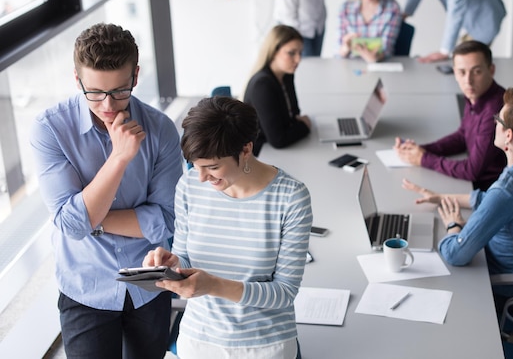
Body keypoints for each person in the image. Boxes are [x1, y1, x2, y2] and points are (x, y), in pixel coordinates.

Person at [30, 23, 183, 359]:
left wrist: (92, 219)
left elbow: (165, 221)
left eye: (119, 91)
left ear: (136, 76)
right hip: (85, 287)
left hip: (148, 283)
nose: (108, 104)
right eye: (95, 92)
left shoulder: (160, 130)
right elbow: (71, 226)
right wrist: (119, 157)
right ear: (77, 80)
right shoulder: (50, 129)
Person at [143, 96, 313, 359]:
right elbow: (186, 258)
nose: (201, 177)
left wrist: (213, 286)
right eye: (196, 166)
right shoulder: (190, 185)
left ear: (245, 149)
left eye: (212, 167)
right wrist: (172, 263)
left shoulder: (291, 197)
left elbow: (284, 293)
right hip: (198, 340)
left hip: (264, 346)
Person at [402, 88, 513, 299]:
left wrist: (453, 225)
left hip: (499, 280)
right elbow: (492, 202)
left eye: (498, 119)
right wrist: (442, 197)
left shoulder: (507, 191)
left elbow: (455, 254)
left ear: (508, 135)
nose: (494, 122)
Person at [394, 40, 506, 191]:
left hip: (488, 190)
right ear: (454, 72)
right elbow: (462, 136)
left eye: (477, 71)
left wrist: (423, 159)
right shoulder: (476, 94)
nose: (468, 80)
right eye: (462, 72)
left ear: (491, 70)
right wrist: (420, 149)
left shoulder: (495, 111)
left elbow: (471, 170)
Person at [243, 25, 311, 155]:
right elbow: (278, 140)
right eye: (291, 53)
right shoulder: (262, 85)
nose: (298, 59)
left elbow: (294, 113)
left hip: (276, 149)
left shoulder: (286, 74)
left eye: (300, 53)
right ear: (274, 51)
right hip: (260, 154)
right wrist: (305, 126)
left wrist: (296, 125)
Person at [338, 0, 403, 63]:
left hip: (381, 64)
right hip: (349, 64)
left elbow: (387, 47)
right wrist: (345, 47)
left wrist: (374, 58)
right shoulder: (346, 8)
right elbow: (339, 51)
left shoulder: (392, 8)